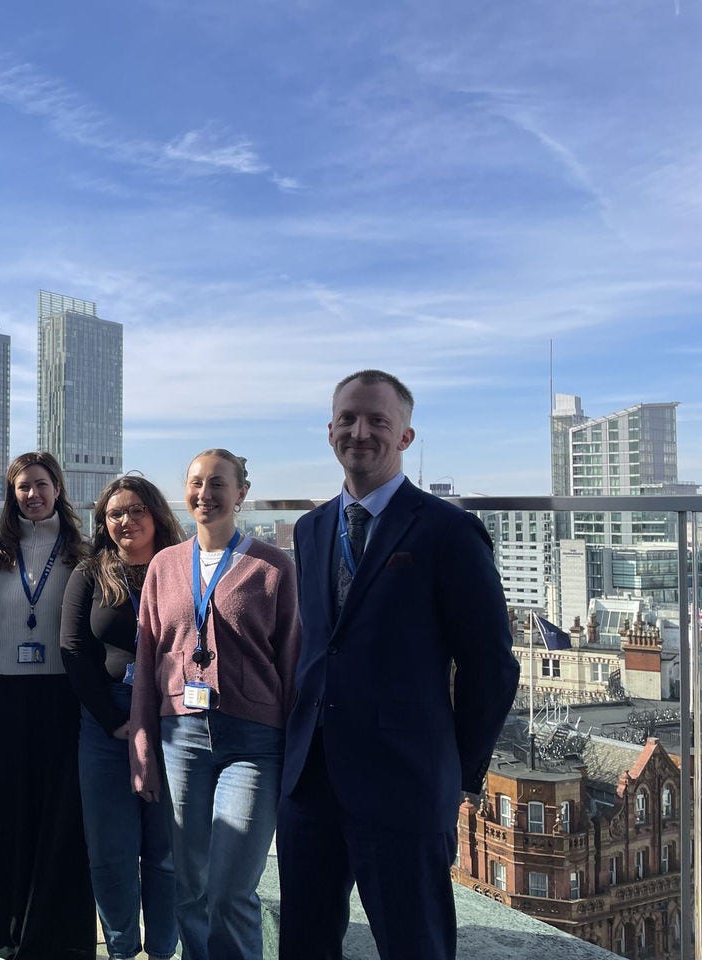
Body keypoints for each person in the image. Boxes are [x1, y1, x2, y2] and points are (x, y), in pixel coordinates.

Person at [278, 370, 520, 960]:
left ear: (406, 436)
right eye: (348, 420)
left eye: (377, 421)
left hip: (405, 783)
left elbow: (490, 667)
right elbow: (317, 650)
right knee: (304, 943)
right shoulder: (309, 531)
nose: (360, 432)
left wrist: (456, 772)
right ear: (330, 431)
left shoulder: (448, 531)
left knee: (415, 944)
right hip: (310, 781)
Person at [129, 449, 300, 960]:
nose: (205, 494)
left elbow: (292, 662)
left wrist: (298, 754)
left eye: (218, 483)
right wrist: (141, 746)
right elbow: (146, 658)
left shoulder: (273, 567)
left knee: (229, 890)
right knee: (190, 887)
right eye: (196, 483)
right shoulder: (163, 566)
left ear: (241, 493)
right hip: (179, 739)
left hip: (254, 743)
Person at [0, 451, 94, 960]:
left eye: (41, 484)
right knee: (2, 813)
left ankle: (53, 941)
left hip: (62, 698)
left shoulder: (82, 551)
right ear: (12, 497)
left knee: (61, 817)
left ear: (57, 488)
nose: (32, 495)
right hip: (5, 695)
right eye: (22, 488)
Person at [61, 474, 184, 960]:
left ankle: (163, 949)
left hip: (173, 723)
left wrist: (151, 720)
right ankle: (121, 949)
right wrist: (114, 718)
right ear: (103, 522)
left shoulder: (181, 567)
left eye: (136, 510)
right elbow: (73, 650)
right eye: (115, 514)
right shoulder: (89, 573)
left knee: (164, 852)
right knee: (110, 853)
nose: (126, 521)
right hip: (106, 724)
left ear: (155, 513)